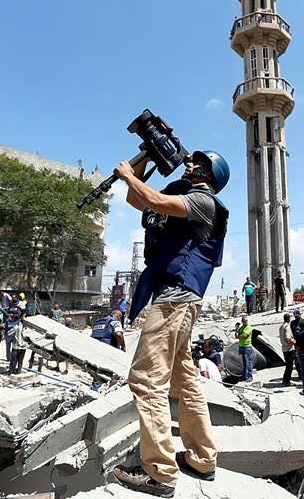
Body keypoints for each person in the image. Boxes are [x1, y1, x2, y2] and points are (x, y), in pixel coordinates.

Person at [111, 150, 230, 496]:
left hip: (174, 300)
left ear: (209, 174)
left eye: (197, 163)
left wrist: (130, 175)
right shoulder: (180, 200)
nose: (188, 165)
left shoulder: (203, 203)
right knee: (184, 379)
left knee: (146, 379)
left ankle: (160, 472)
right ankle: (202, 458)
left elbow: (153, 199)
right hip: (177, 299)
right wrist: (142, 162)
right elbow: (140, 200)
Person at [7, 311, 27, 375]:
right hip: (16, 346)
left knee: (20, 361)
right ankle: (12, 373)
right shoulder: (17, 326)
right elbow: (9, 333)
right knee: (14, 361)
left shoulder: (27, 327)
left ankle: (17, 373)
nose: (25, 318)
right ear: (21, 317)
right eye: (24, 316)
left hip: (23, 347)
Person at [279, 313, 296, 386]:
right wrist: (294, 342)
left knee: (288, 366)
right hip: (289, 349)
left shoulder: (281, 326)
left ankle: (284, 380)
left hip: (284, 348)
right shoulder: (287, 327)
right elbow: (287, 338)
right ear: (289, 319)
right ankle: (287, 381)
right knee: (289, 366)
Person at [235, 316, 254, 381]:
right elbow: (236, 336)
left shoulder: (248, 328)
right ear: (242, 321)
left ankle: (249, 376)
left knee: (248, 362)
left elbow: (244, 336)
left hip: (247, 346)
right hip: (241, 346)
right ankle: (244, 376)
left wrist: (239, 336)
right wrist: (237, 329)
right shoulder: (241, 328)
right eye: (244, 321)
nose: (245, 322)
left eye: (246, 321)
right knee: (244, 363)